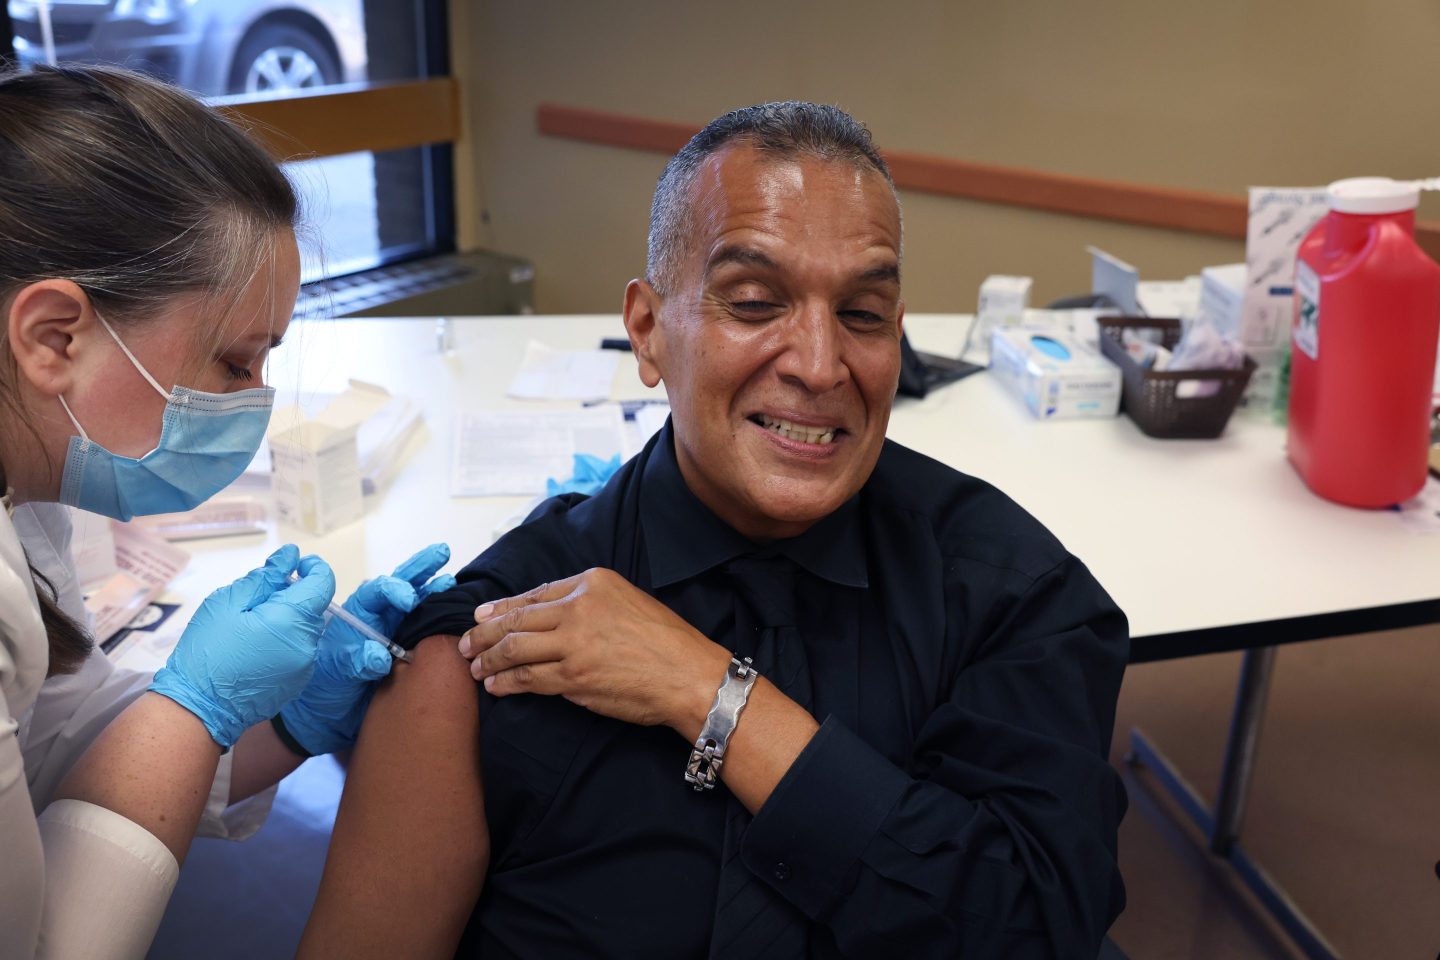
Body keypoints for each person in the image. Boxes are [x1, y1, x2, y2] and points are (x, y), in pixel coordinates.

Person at [304, 102, 1127, 959]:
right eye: (754, 301)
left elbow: (1038, 931)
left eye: (861, 313)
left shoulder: (1011, 596)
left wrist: (712, 693)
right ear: (648, 331)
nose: (818, 363)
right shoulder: (482, 653)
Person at [0, 64, 451, 960]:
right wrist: (198, 705)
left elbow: (54, 747)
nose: (253, 400)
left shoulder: (32, 494)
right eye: (235, 364)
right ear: (55, 336)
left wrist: (280, 722)